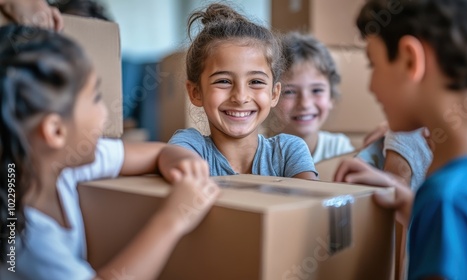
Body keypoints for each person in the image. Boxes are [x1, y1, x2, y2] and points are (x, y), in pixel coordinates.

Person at [0, 24, 219, 280]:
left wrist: (181, 159)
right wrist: (173, 218)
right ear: (56, 131)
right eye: (95, 98)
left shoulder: (61, 166)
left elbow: (158, 153)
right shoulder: (23, 235)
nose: (106, 112)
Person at [334, 0, 467, 279]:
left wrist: (431, 206)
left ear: (411, 60)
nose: (371, 86)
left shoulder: (446, 200)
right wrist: (411, 203)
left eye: (373, 65)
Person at [168, 4, 317, 179]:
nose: (240, 97)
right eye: (223, 81)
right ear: (195, 92)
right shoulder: (191, 146)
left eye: (255, 82)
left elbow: (310, 202)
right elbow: (171, 158)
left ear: (274, 93)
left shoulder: (288, 151)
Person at [266, 32, 355, 164]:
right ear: (272, 96)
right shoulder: (261, 154)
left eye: (317, 90)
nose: (305, 103)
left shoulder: (339, 149)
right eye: (289, 92)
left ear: (331, 97)